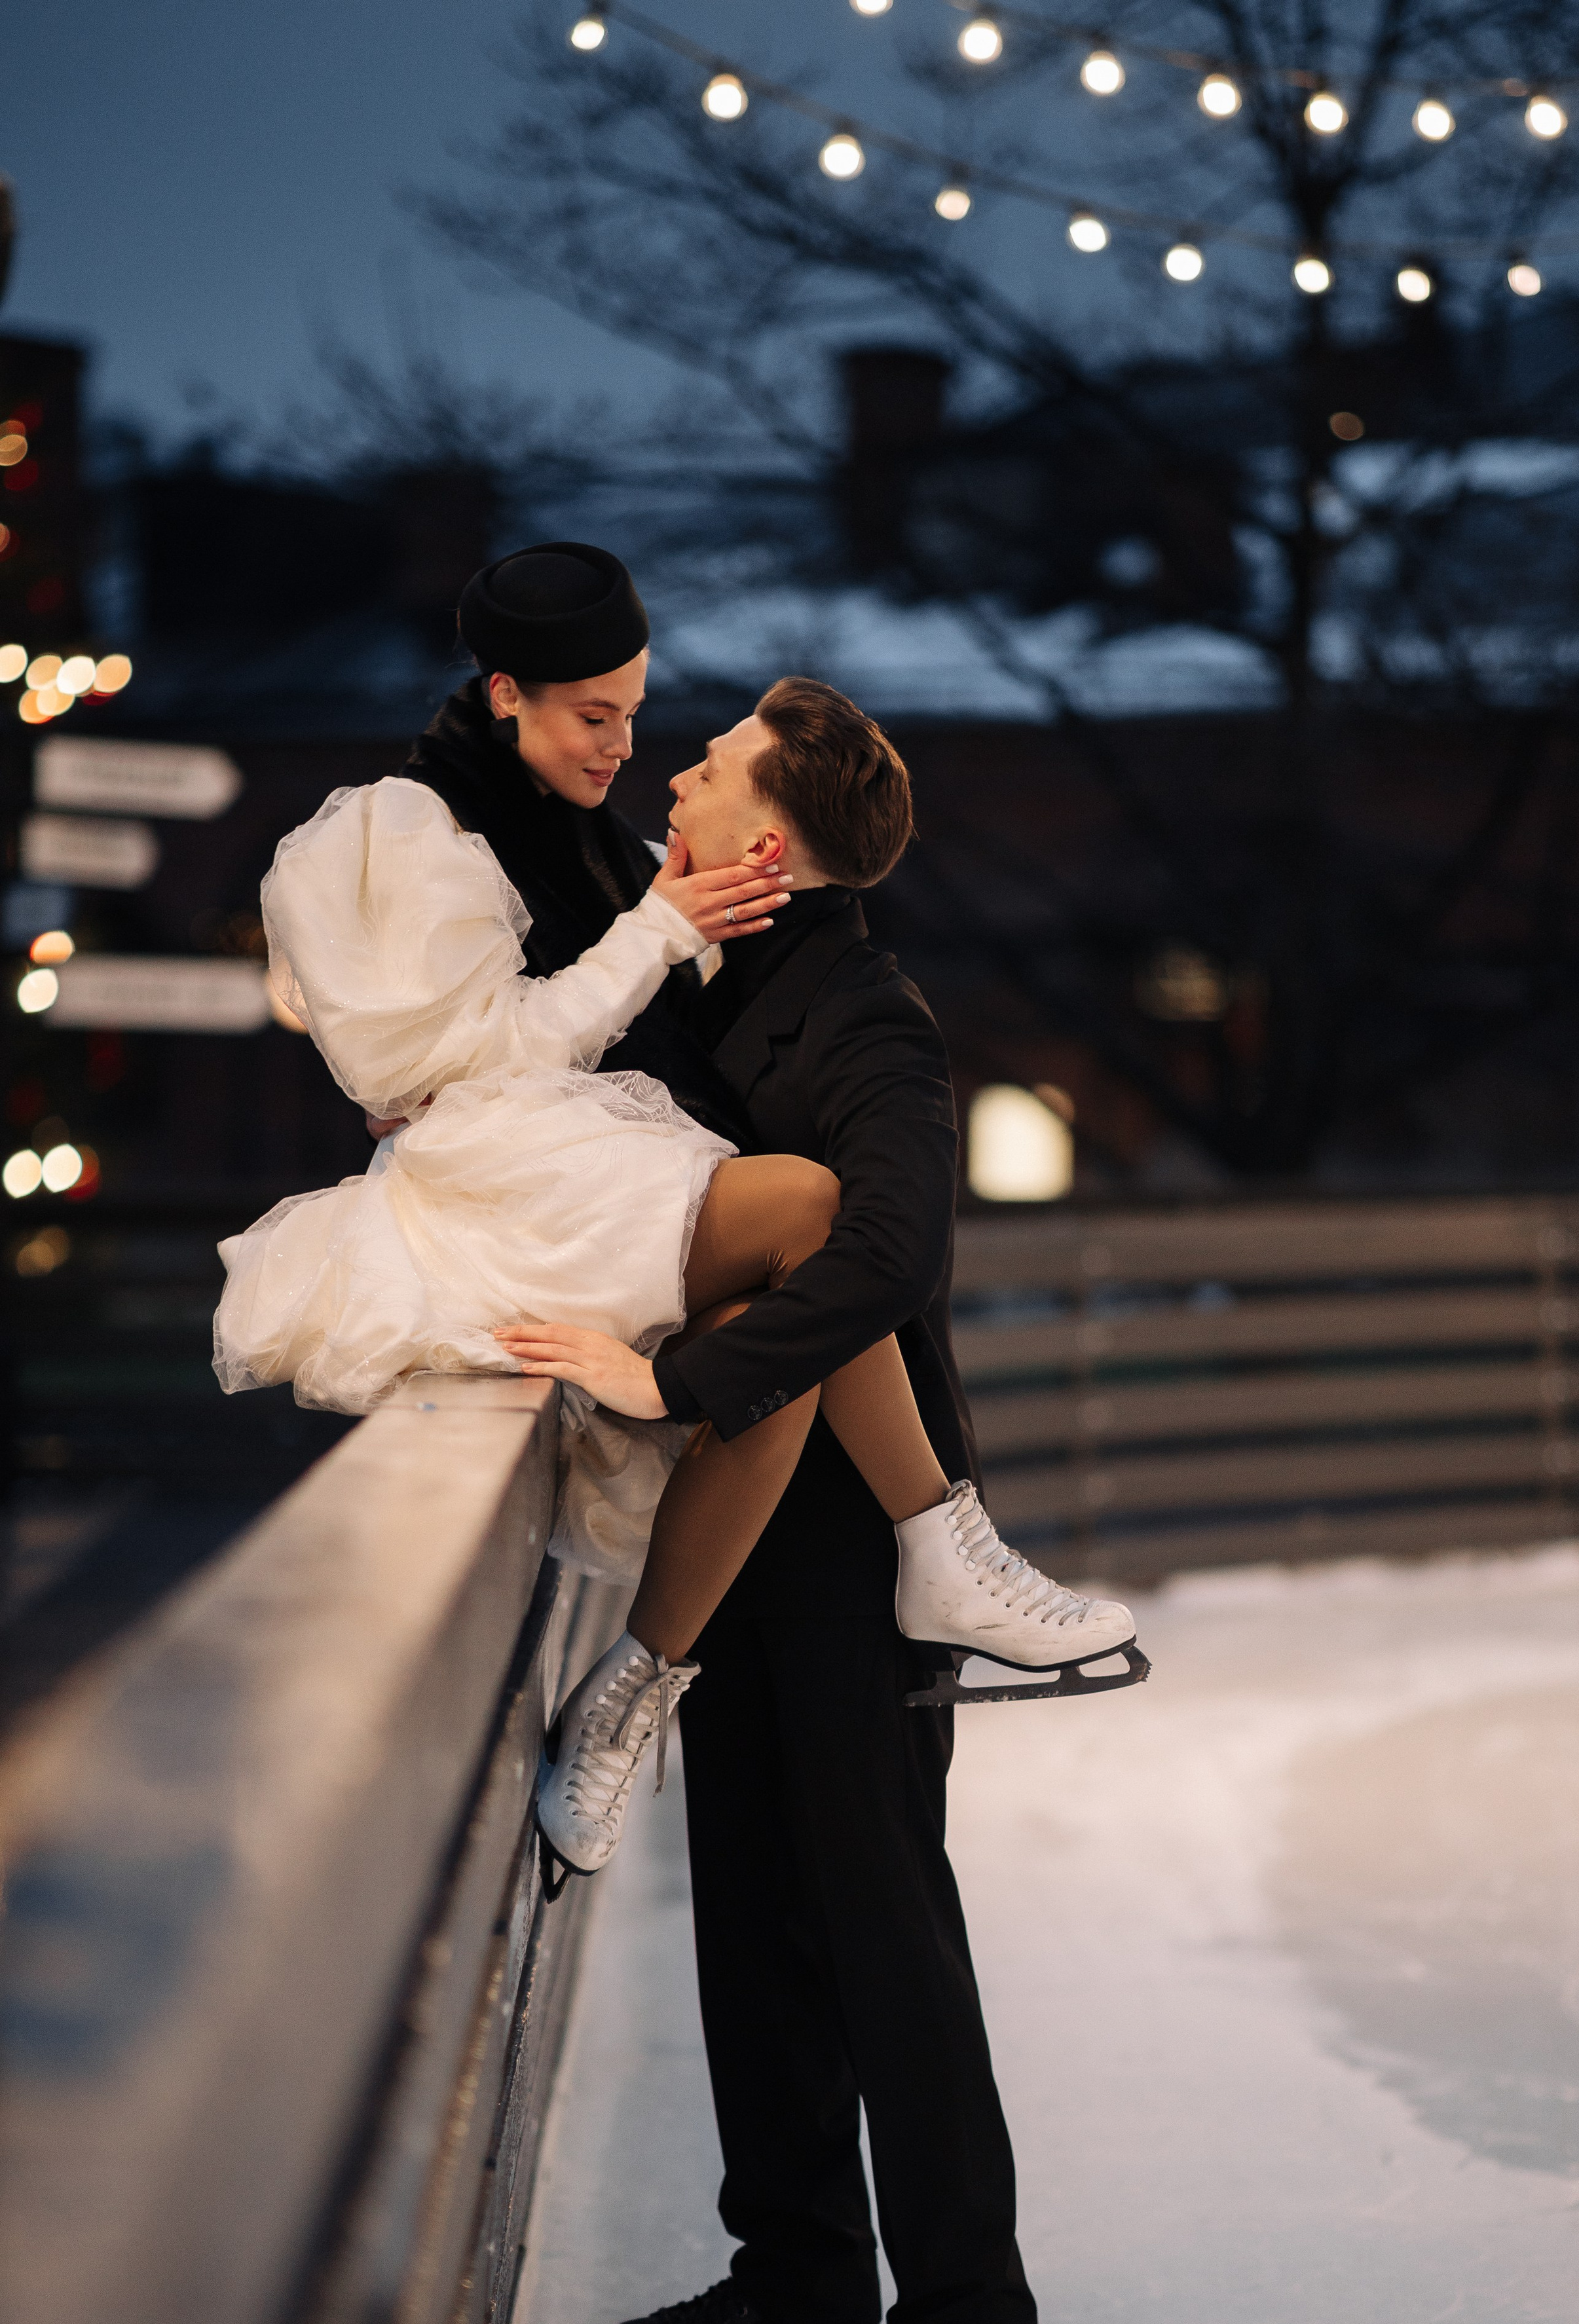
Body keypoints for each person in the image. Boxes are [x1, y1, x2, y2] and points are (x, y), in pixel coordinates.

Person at [213, 546, 1140, 1880]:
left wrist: (691, 911)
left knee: (780, 1347)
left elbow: (691, 962)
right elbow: (454, 1070)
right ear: (504, 695)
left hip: (574, 1174)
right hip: (498, 1192)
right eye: (594, 716)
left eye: (637, 712)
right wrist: (651, 928)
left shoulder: (593, 835)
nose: (626, 746)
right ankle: (938, 1543)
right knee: (809, 1211)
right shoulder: (403, 832)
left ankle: (639, 1686)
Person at [501, 677, 1071, 2324]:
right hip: (738, 1539)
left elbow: (893, 1241)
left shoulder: (868, 1017)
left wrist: (676, 1381)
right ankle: (808, 2274)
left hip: (858, 1564)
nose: (676, 770)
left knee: (882, 1927)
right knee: (754, 1914)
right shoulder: (691, 982)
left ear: (775, 838)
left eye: (715, 761)